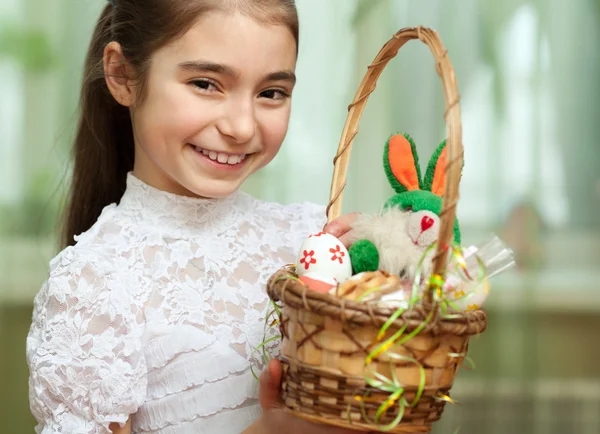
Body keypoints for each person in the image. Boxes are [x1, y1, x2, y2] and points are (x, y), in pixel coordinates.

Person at [25, 1, 361, 433]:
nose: (241, 127)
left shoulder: (310, 236)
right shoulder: (92, 283)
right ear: (122, 75)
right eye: (206, 83)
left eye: (271, 93)